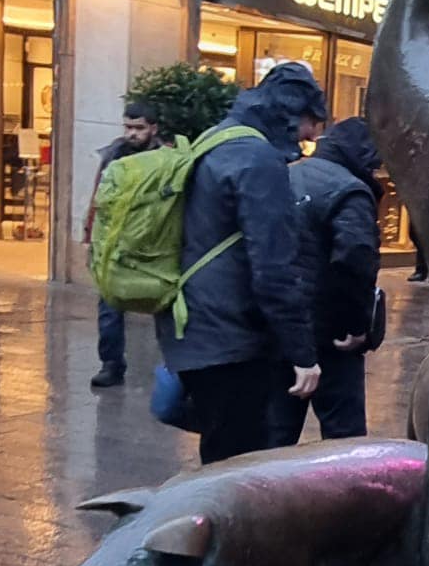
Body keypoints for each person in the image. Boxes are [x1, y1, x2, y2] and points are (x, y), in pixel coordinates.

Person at [156, 61, 322, 465]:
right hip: (230, 338)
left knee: (220, 452)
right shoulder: (258, 160)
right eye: (311, 124)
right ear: (291, 114)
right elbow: (274, 270)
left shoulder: (217, 140)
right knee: (236, 466)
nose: (311, 137)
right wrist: (302, 354)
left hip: (196, 324)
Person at [269, 117, 381, 446]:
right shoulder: (349, 190)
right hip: (332, 336)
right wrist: (354, 325)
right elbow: (354, 261)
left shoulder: (286, 176)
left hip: (281, 327)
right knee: (343, 440)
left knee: (275, 437)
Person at [86, 99, 161, 390]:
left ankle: (175, 369)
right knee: (109, 306)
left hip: (153, 245)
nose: (132, 133)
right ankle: (111, 364)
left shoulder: (165, 158)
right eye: (128, 127)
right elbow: (98, 196)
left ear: (153, 128)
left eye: (138, 128)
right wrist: (90, 235)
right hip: (116, 244)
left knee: (165, 309)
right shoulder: (114, 154)